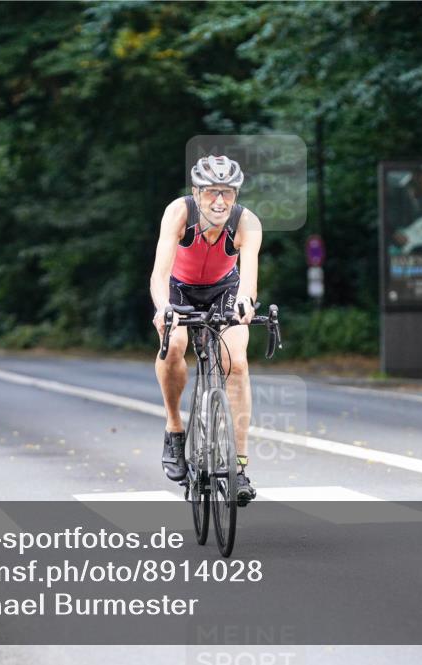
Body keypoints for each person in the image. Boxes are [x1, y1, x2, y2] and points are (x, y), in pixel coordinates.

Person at [150, 155, 263, 505]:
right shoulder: (178, 213)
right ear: (197, 192)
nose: (219, 201)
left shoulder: (247, 223)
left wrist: (245, 304)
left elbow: (248, 281)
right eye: (212, 191)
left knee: (237, 362)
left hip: (224, 290)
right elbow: (159, 274)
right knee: (173, 345)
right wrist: (163, 308)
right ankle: (174, 427)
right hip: (179, 289)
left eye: (227, 193)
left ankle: (238, 467)